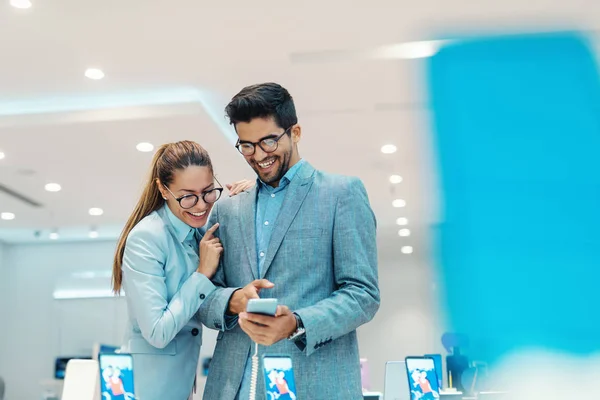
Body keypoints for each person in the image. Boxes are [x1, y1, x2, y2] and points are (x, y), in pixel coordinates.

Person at [198, 83, 380, 399]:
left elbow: (363, 295)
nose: (258, 155)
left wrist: (296, 323)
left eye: (268, 141)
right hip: (236, 386)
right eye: (247, 145)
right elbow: (203, 296)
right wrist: (233, 299)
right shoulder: (226, 210)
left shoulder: (341, 194)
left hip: (315, 384)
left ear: (294, 132)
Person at [111, 140, 253, 400]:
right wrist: (201, 274)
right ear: (163, 190)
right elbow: (157, 332)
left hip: (179, 384)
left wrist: (249, 198)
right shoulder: (147, 237)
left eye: (208, 192)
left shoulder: (196, 231)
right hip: (146, 386)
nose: (200, 205)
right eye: (187, 196)